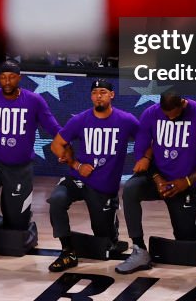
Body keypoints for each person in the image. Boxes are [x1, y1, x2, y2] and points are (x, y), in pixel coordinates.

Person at [0, 60, 61, 267]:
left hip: (20, 167)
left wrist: (66, 144)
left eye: (11, 77)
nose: (7, 81)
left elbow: (53, 127)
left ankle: (21, 213)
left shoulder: (34, 100)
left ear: (19, 78)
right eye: (3, 77)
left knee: (17, 223)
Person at [117, 89, 196, 274]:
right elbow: (141, 152)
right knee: (130, 189)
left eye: (173, 115)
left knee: (185, 250)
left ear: (183, 103)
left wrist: (188, 181)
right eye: (165, 115)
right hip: (157, 178)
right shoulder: (150, 113)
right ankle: (139, 249)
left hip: (185, 184)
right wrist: (157, 178)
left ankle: (195, 222)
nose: (169, 119)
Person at [46, 79, 138, 273]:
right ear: (91, 96)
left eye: (103, 92)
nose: (98, 96)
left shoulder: (126, 120)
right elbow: (56, 144)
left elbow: (146, 140)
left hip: (103, 185)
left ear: (112, 95)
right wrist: (76, 165)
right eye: (95, 92)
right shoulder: (80, 119)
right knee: (56, 200)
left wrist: (145, 158)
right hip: (79, 178)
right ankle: (67, 251)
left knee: (104, 244)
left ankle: (111, 231)